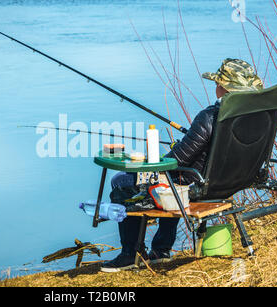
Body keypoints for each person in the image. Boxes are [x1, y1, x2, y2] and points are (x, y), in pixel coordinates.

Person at [101, 58, 264, 272]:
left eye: (217, 82)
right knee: (173, 181)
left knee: (121, 181)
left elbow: (175, 161)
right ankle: (161, 250)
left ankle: (130, 254)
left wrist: (150, 162)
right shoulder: (256, 116)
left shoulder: (209, 117)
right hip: (231, 183)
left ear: (222, 88)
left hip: (196, 188)